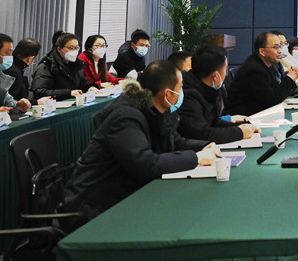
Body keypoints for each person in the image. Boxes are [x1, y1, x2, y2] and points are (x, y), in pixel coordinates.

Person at [61, 60, 218, 224]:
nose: (181, 92)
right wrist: (196, 158)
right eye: (180, 87)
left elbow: (173, 140)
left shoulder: (153, 108)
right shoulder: (125, 116)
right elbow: (146, 164)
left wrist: (203, 146)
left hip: (120, 199)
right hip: (92, 211)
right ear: (166, 94)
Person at [179, 45, 257, 144]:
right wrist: (240, 132)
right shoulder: (188, 94)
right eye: (225, 70)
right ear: (215, 76)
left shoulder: (206, 88)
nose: (226, 74)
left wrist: (243, 126)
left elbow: (213, 122)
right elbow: (201, 133)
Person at [225, 32, 298, 116]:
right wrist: (289, 78)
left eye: (280, 46)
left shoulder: (268, 65)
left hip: (257, 115)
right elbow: (272, 101)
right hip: (242, 118)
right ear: (262, 51)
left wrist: (289, 77)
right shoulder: (254, 70)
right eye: (276, 47)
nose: (280, 51)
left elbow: (276, 91)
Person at [32, 32, 92, 100]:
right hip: (54, 103)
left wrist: (90, 87)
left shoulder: (76, 64)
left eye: (76, 48)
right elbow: (40, 92)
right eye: (70, 48)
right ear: (59, 49)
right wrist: (68, 93)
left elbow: (83, 83)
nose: (74, 51)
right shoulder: (47, 66)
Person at [10, 38, 41, 103]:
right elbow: (13, 102)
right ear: (30, 59)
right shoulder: (15, 72)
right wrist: (36, 102)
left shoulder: (9, 65)